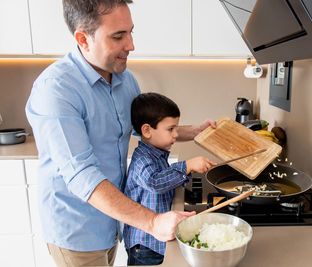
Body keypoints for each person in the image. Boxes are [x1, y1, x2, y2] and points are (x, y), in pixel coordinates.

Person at [25, 0, 215, 266]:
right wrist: (152, 222)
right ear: (83, 39)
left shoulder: (126, 80)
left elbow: (147, 131)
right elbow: (83, 176)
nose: (131, 45)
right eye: (118, 36)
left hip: (116, 221)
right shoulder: (55, 90)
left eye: (130, 32)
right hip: (77, 231)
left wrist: (194, 132)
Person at [123, 92, 216, 265]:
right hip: (144, 246)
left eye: (176, 128)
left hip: (154, 243)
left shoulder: (157, 154)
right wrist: (187, 166)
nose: (175, 135)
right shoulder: (142, 159)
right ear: (147, 130)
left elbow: (165, 180)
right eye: (170, 129)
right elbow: (155, 182)